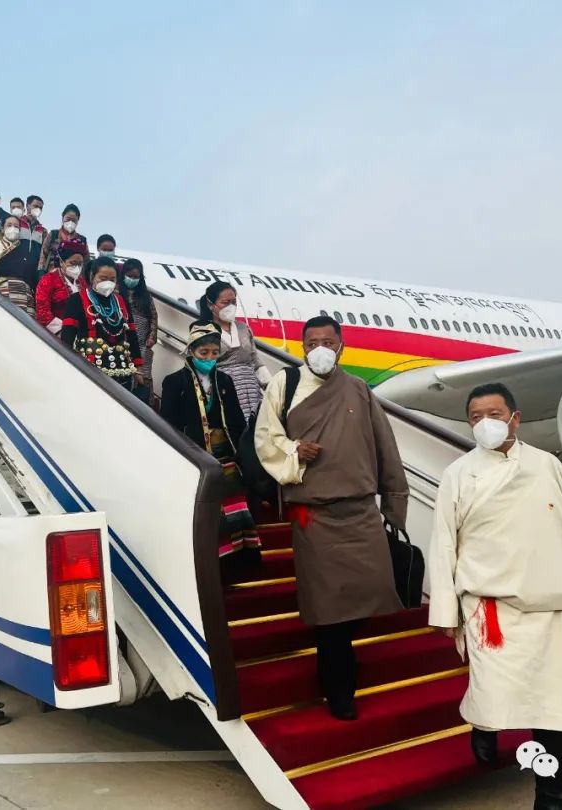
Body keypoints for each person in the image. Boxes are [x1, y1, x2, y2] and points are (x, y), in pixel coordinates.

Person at [427, 383, 562, 810]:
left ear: (516, 418)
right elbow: (443, 544)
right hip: (491, 610)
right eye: (475, 417)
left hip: (554, 612)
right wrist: (445, 610)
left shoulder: (548, 465)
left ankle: (550, 796)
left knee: (556, 710)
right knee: (491, 695)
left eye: (494, 414)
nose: (485, 424)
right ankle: (484, 726)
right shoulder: (458, 473)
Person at [254, 315, 408, 721]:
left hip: (361, 514)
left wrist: (394, 504)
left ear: (341, 346)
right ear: (302, 346)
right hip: (316, 517)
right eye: (312, 342)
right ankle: (339, 686)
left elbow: (386, 446)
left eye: (328, 341)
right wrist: (294, 451)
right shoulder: (285, 384)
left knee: (372, 594)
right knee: (328, 612)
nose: (320, 349)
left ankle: (340, 666)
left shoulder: (358, 388)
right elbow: (265, 438)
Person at [161, 322, 261, 573]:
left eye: (214, 353)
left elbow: (236, 419)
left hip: (226, 454)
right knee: (211, 511)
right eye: (203, 353)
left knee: (237, 507)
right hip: (195, 455)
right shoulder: (174, 382)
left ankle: (241, 563)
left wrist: (242, 453)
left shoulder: (224, 380)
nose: (209, 358)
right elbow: (169, 422)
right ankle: (216, 566)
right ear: (191, 352)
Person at [60, 256, 144, 390]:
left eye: (112, 279)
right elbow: (67, 338)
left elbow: (132, 335)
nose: (108, 283)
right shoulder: (77, 300)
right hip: (89, 369)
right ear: (92, 276)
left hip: (122, 370)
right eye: (103, 278)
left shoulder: (121, 301)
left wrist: (138, 366)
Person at [199, 281, 271, 420]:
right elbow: (201, 367)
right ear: (210, 305)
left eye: (234, 302)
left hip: (250, 389)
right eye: (225, 303)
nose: (231, 306)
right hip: (223, 390)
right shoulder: (203, 332)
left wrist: (270, 385)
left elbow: (254, 359)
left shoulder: (243, 328)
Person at [120, 258, 157, 403]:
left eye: (136, 277)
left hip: (143, 340)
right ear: (123, 275)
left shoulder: (146, 296)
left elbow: (153, 317)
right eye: (129, 276)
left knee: (144, 374)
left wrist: (152, 336)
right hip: (123, 337)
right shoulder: (116, 292)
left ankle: (145, 404)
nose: (132, 279)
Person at [0, 215, 34, 315]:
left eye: (16, 226)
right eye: (9, 225)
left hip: (25, 296)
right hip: (2, 292)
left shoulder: (27, 250)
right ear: (2, 229)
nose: (13, 228)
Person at [36, 246, 85, 335]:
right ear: (62, 262)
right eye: (73, 263)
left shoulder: (82, 283)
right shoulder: (48, 279)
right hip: (56, 332)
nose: (77, 267)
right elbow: (42, 310)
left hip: (79, 332)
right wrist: (63, 331)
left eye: (80, 264)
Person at [38, 203, 88, 280]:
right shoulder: (53, 235)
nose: (70, 222)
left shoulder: (82, 240)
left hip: (73, 279)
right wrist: (41, 274)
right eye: (68, 219)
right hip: (52, 277)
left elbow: (86, 262)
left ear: (78, 221)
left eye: (74, 220)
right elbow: (43, 255)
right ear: (62, 218)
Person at [18, 194, 48, 280]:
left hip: (33, 272)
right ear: (27, 206)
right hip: (16, 267)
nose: (38, 209)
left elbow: (44, 254)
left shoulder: (43, 231)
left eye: (40, 208)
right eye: (35, 206)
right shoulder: (17, 223)